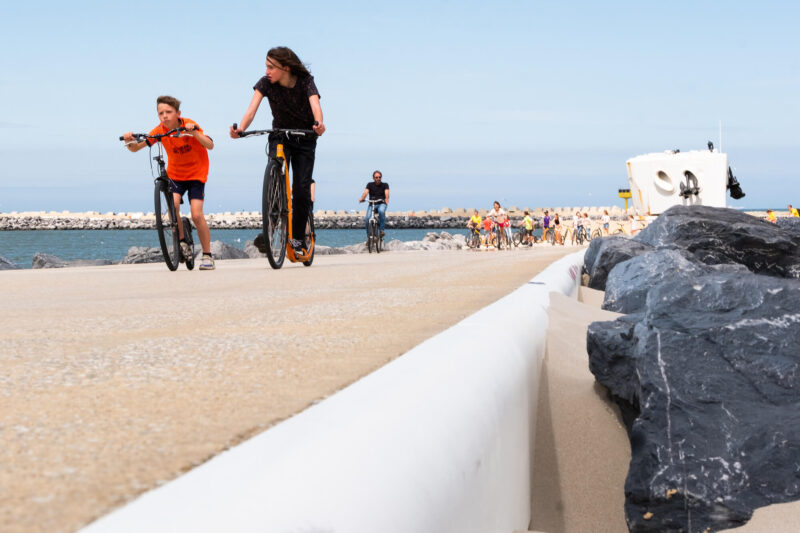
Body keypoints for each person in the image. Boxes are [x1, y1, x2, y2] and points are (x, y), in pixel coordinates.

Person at [231, 46, 326, 256]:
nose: (267, 71)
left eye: (270, 67)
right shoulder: (265, 84)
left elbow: (315, 106)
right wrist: (241, 129)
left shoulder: (306, 81)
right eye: (266, 66)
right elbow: (251, 110)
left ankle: (299, 238)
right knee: (275, 179)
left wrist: (319, 124)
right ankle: (271, 228)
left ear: (285, 67)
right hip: (280, 136)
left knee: (301, 190)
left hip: (305, 138)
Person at [122, 95, 216, 270]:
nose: (164, 116)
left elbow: (209, 145)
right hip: (176, 175)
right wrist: (129, 141)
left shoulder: (189, 124)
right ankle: (182, 242)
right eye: (160, 113)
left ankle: (207, 255)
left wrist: (194, 131)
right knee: (173, 206)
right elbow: (136, 148)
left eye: (168, 112)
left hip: (196, 174)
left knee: (196, 214)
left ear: (178, 113)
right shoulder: (159, 130)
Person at [358, 170, 389, 239]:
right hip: (372, 204)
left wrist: (386, 199)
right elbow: (365, 193)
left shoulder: (385, 185)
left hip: (381, 203)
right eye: (376, 177)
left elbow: (387, 193)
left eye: (379, 177)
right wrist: (362, 198)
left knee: (381, 211)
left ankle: (381, 230)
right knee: (367, 219)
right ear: (373, 178)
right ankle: (369, 238)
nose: (378, 179)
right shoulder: (369, 184)